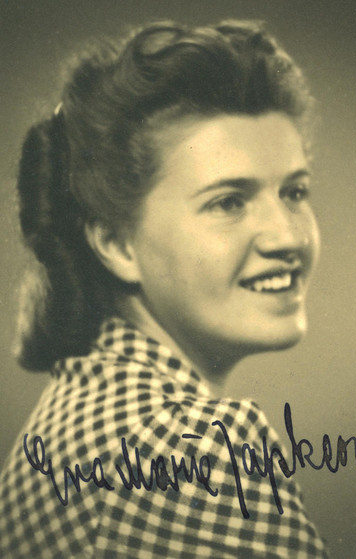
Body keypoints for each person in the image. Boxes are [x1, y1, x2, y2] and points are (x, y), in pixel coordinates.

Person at [0, 20, 327, 558]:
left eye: (294, 192)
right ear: (116, 242)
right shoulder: (190, 450)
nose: (289, 236)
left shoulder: (86, 400)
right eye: (229, 202)